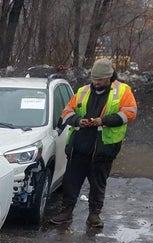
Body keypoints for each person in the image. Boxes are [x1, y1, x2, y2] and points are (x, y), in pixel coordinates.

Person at [49, 58, 137, 228]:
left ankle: (94, 215)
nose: (96, 83)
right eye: (94, 79)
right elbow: (67, 111)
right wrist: (78, 120)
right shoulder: (83, 91)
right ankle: (66, 212)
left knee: (98, 184)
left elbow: (130, 113)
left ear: (109, 77)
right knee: (71, 182)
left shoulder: (123, 91)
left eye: (100, 80)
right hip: (79, 147)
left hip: (103, 149)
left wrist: (103, 121)